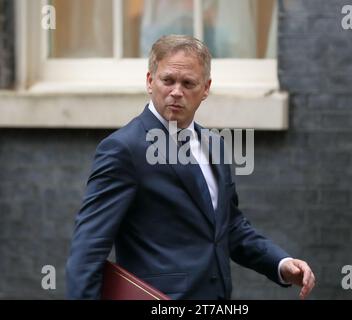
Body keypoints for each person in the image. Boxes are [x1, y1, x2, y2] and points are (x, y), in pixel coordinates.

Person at [66, 34, 315, 300]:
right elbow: (87, 251)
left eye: (188, 83)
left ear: (205, 88)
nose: (176, 91)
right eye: (168, 80)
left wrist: (280, 263)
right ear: (150, 81)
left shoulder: (215, 144)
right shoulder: (123, 149)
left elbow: (227, 226)